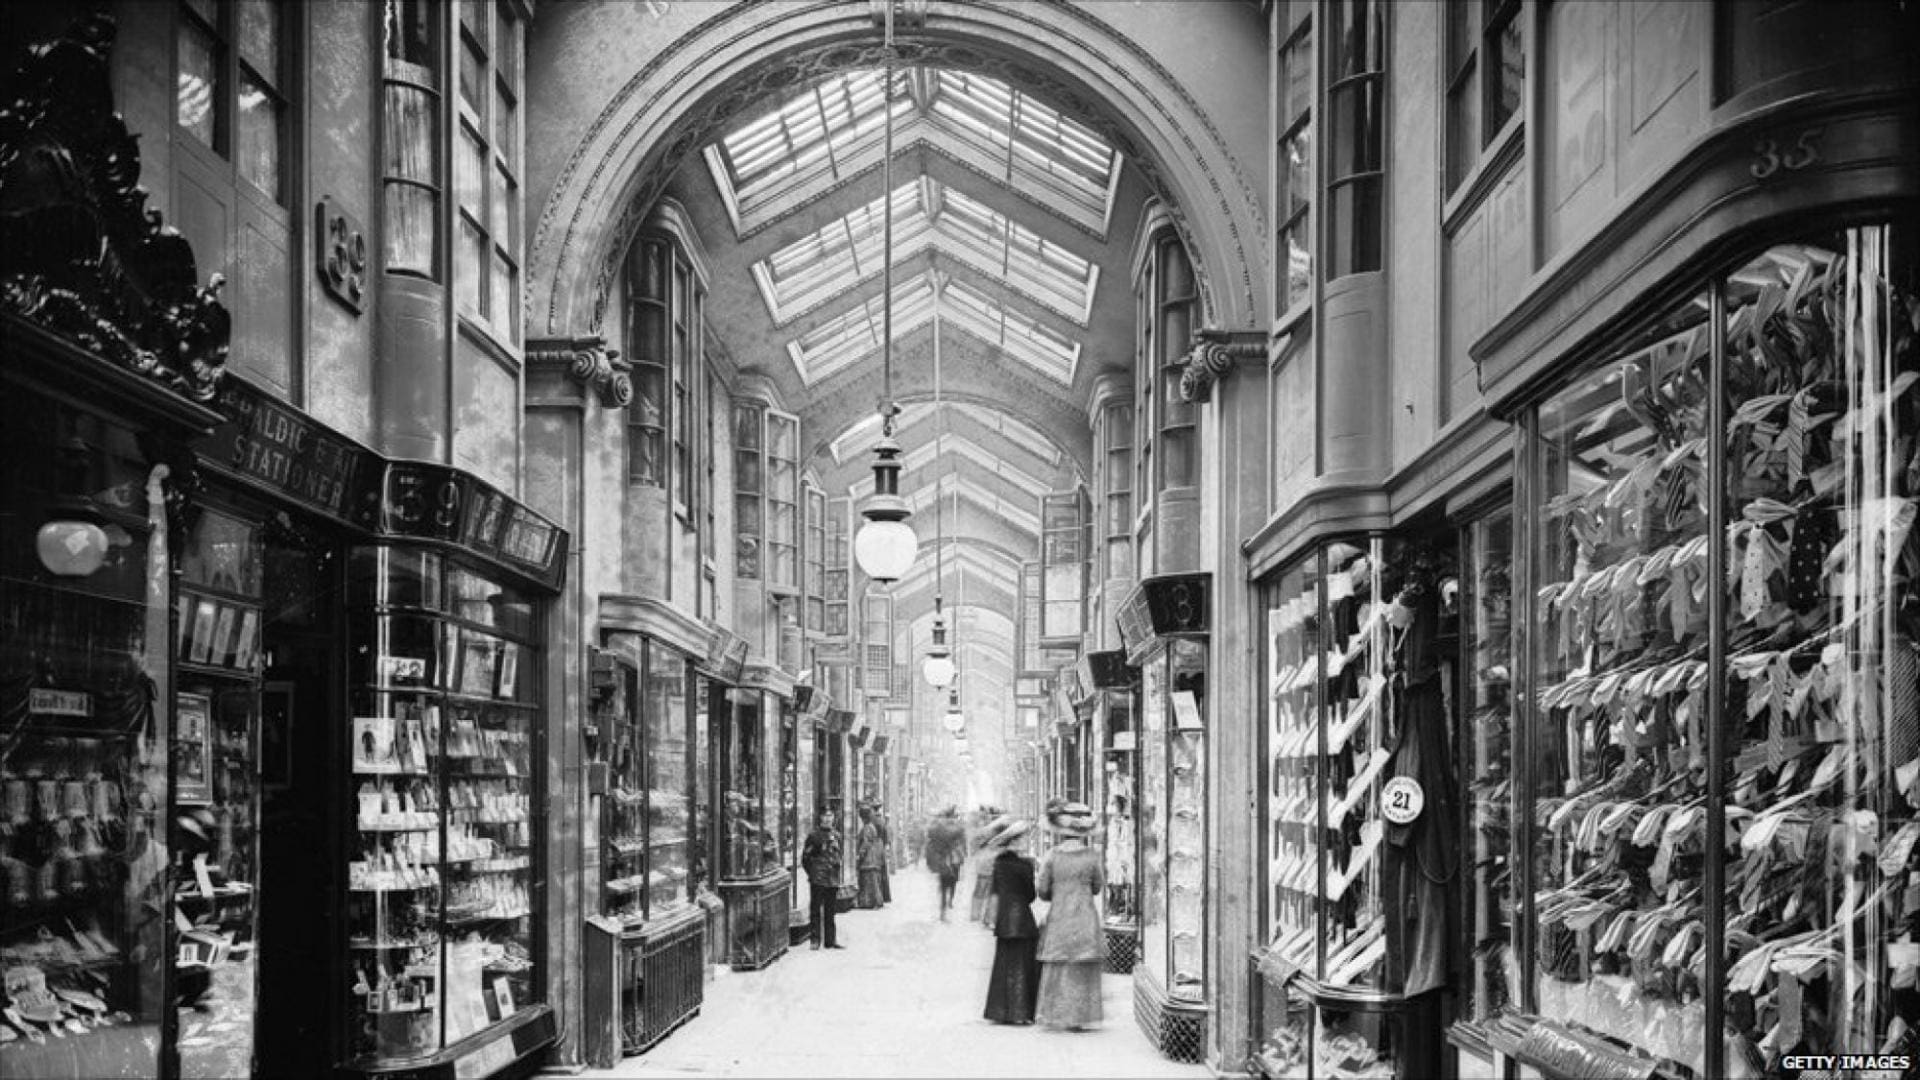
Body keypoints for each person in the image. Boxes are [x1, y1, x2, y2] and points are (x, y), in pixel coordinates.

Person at [1036, 801, 1104, 1030]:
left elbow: (1043, 891)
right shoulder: (1092, 856)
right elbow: (1097, 887)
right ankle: (1079, 1016)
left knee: (1059, 963)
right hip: (1085, 915)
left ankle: (1056, 1013)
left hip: (1060, 916)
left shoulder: (1052, 856)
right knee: (1080, 965)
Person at [983, 820, 1041, 1024]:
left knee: (1003, 966)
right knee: (1023, 966)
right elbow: (1031, 895)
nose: (1026, 840)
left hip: (1004, 920)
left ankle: (999, 1010)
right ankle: (1021, 1011)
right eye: (1023, 838)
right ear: (1015, 841)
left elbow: (996, 891)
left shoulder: (999, 864)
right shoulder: (1025, 865)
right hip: (1023, 920)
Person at [801, 809, 845, 949]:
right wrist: (813, 873)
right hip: (818, 878)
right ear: (820, 818)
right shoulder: (814, 836)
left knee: (830, 910)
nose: (827, 819)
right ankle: (815, 940)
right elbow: (805, 858)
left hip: (832, 878)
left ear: (833, 818)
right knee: (815, 909)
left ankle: (830, 940)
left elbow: (839, 856)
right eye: (825, 816)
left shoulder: (837, 836)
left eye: (830, 816)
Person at [924, 806, 968, 920]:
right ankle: (949, 902)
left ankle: (943, 908)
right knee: (952, 882)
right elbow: (961, 836)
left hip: (943, 861)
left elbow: (930, 836)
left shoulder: (937, 828)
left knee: (944, 885)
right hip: (953, 860)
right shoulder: (954, 829)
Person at [970, 813, 1013, 925]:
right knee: (993, 893)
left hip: (984, 865)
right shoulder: (1003, 836)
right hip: (994, 865)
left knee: (980, 890)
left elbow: (974, 845)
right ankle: (988, 918)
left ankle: (975, 915)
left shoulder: (984, 831)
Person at [855, 806, 885, 909]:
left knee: (870, 881)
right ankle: (874, 902)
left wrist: (860, 854)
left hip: (869, 858)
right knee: (872, 881)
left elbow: (866, 843)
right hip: (873, 857)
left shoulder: (867, 827)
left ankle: (873, 902)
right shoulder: (870, 826)